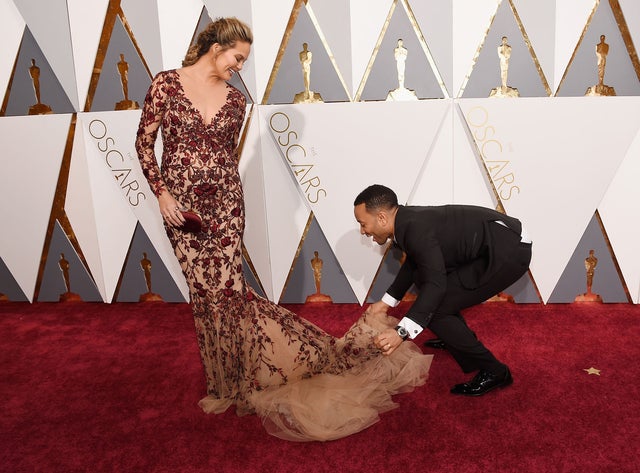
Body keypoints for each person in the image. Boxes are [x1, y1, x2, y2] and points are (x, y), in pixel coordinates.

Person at [136, 17, 431, 442]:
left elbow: (222, 159)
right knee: (205, 297)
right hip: (180, 211)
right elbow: (143, 144)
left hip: (225, 209)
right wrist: (163, 194)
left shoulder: (237, 102)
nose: (240, 66)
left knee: (229, 293)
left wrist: (223, 205)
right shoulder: (166, 84)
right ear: (216, 46)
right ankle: (221, 382)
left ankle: (236, 382)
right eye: (238, 57)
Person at [354, 184, 532, 396]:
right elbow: (416, 263)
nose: (363, 231)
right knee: (427, 285)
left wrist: (400, 332)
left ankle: (495, 371)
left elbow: (436, 284)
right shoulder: (406, 222)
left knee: (436, 310)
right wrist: (386, 302)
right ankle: (456, 335)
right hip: (494, 243)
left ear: (382, 218)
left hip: (508, 252)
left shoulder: (414, 228)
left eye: (363, 224)